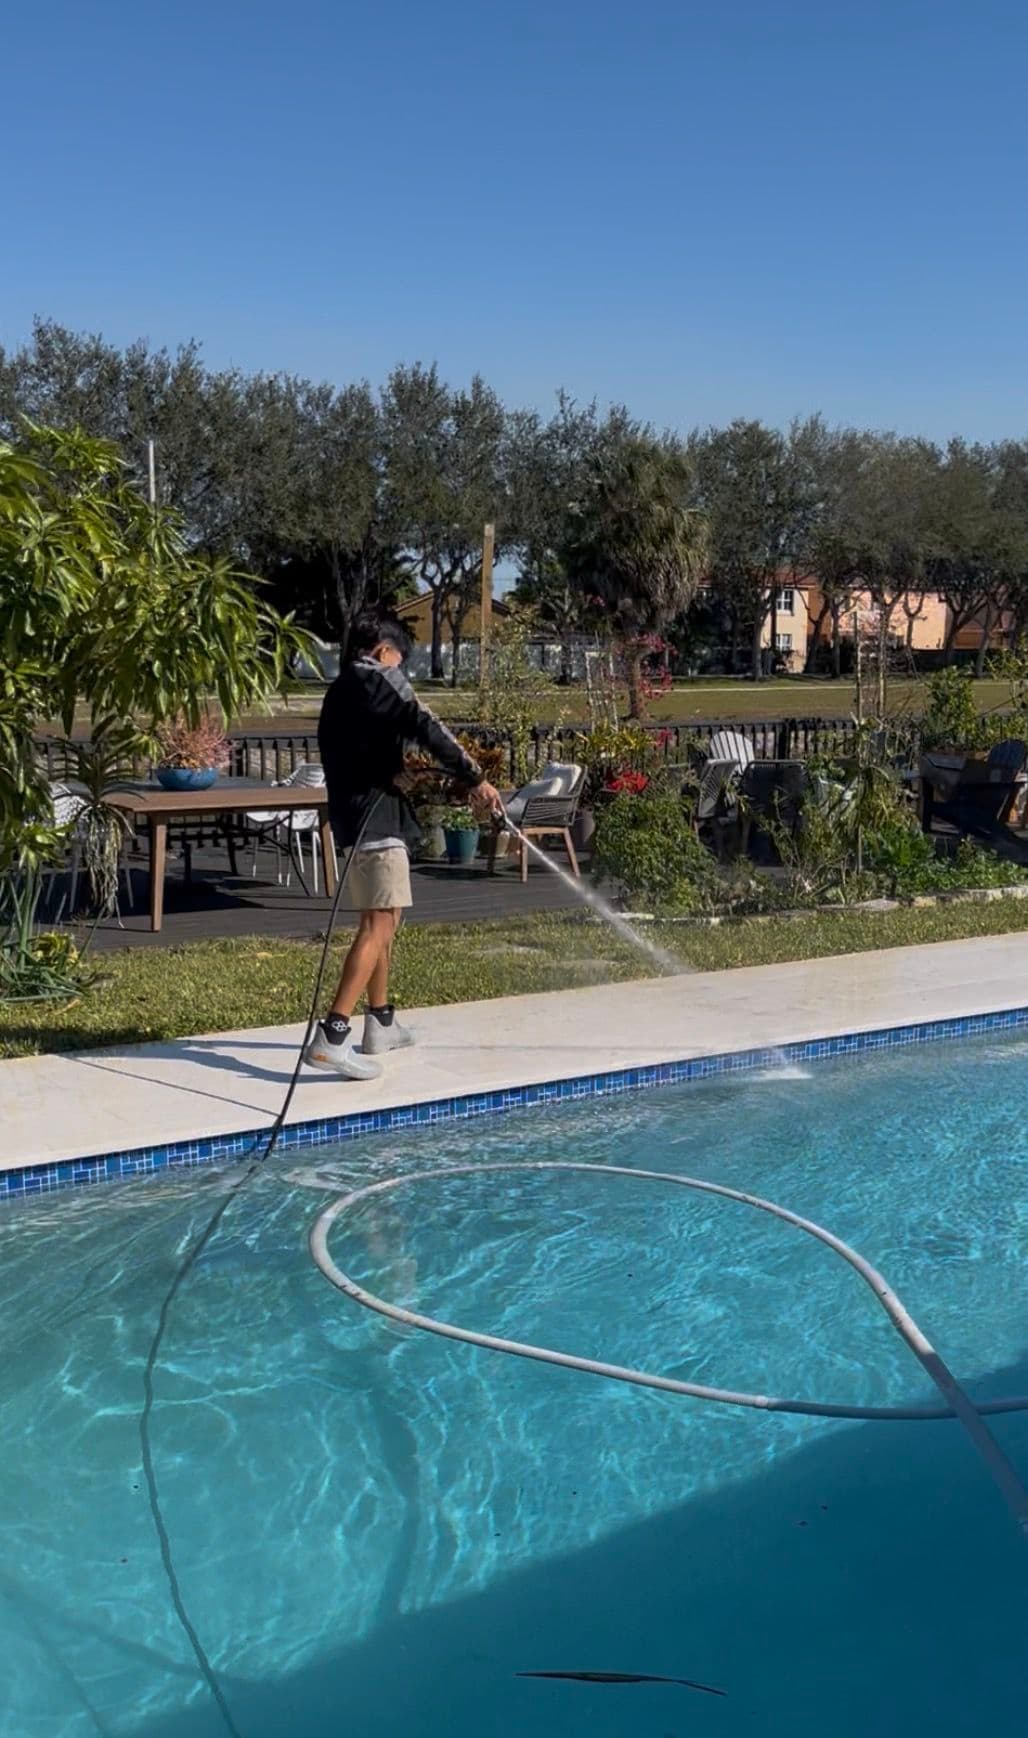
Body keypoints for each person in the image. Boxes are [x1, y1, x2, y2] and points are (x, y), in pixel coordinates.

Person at [305, 610, 502, 1080]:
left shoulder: (341, 692)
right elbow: (426, 724)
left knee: (384, 919)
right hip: (375, 821)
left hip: (360, 817)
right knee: (378, 924)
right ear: (381, 650)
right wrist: (476, 778)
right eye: (399, 657)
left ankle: (381, 1024)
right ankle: (332, 1037)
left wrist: (393, 772)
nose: (402, 668)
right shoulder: (378, 679)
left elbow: (358, 754)